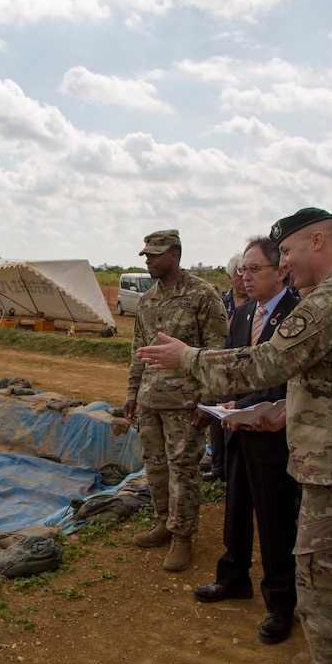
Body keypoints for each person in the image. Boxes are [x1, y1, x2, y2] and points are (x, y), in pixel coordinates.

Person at [137, 207, 332, 664]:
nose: (284, 264)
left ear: (318, 242)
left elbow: (268, 361)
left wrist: (187, 358)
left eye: (287, 252)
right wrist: (286, 408)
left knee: (327, 583)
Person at [192, 237, 301, 646]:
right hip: (237, 428)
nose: (244, 277)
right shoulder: (243, 313)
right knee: (235, 509)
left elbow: (282, 376)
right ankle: (233, 578)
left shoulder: (297, 316)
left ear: (281, 271)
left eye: (255, 269)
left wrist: (244, 404)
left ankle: (280, 602)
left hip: (272, 431)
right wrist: (220, 406)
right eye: (243, 270)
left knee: (274, 520)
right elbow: (233, 369)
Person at [124, 229, 228, 572]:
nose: (149, 260)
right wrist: (132, 394)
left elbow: (216, 351)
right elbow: (139, 351)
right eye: (146, 254)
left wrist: (208, 400)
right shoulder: (147, 299)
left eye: (156, 254)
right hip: (151, 400)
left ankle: (183, 536)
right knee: (154, 464)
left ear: (176, 254)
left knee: (183, 469)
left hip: (185, 403)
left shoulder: (203, 295)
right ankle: (163, 523)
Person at [207, 252, 250, 482]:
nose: (244, 280)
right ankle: (218, 467)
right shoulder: (221, 301)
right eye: (239, 275)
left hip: (245, 368)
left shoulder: (255, 304)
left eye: (247, 274)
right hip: (221, 367)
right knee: (218, 417)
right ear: (229, 277)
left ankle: (235, 467)